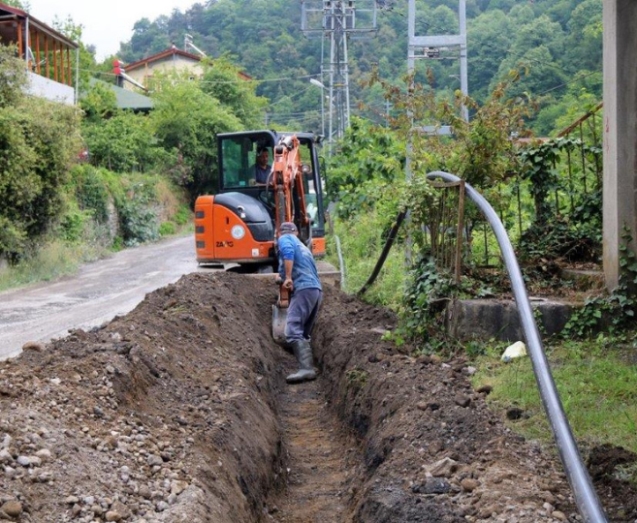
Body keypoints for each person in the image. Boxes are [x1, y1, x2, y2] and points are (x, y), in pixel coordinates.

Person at [277, 221, 322, 384]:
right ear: (296, 232)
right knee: (303, 333)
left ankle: (306, 369)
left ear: (280, 233)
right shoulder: (303, 247)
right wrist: (283, 276)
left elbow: (287, 252)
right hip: (315, 290)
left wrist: (288, 278)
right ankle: (309, 366)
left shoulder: (284, 240)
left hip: (303, 288)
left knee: (292, 330)